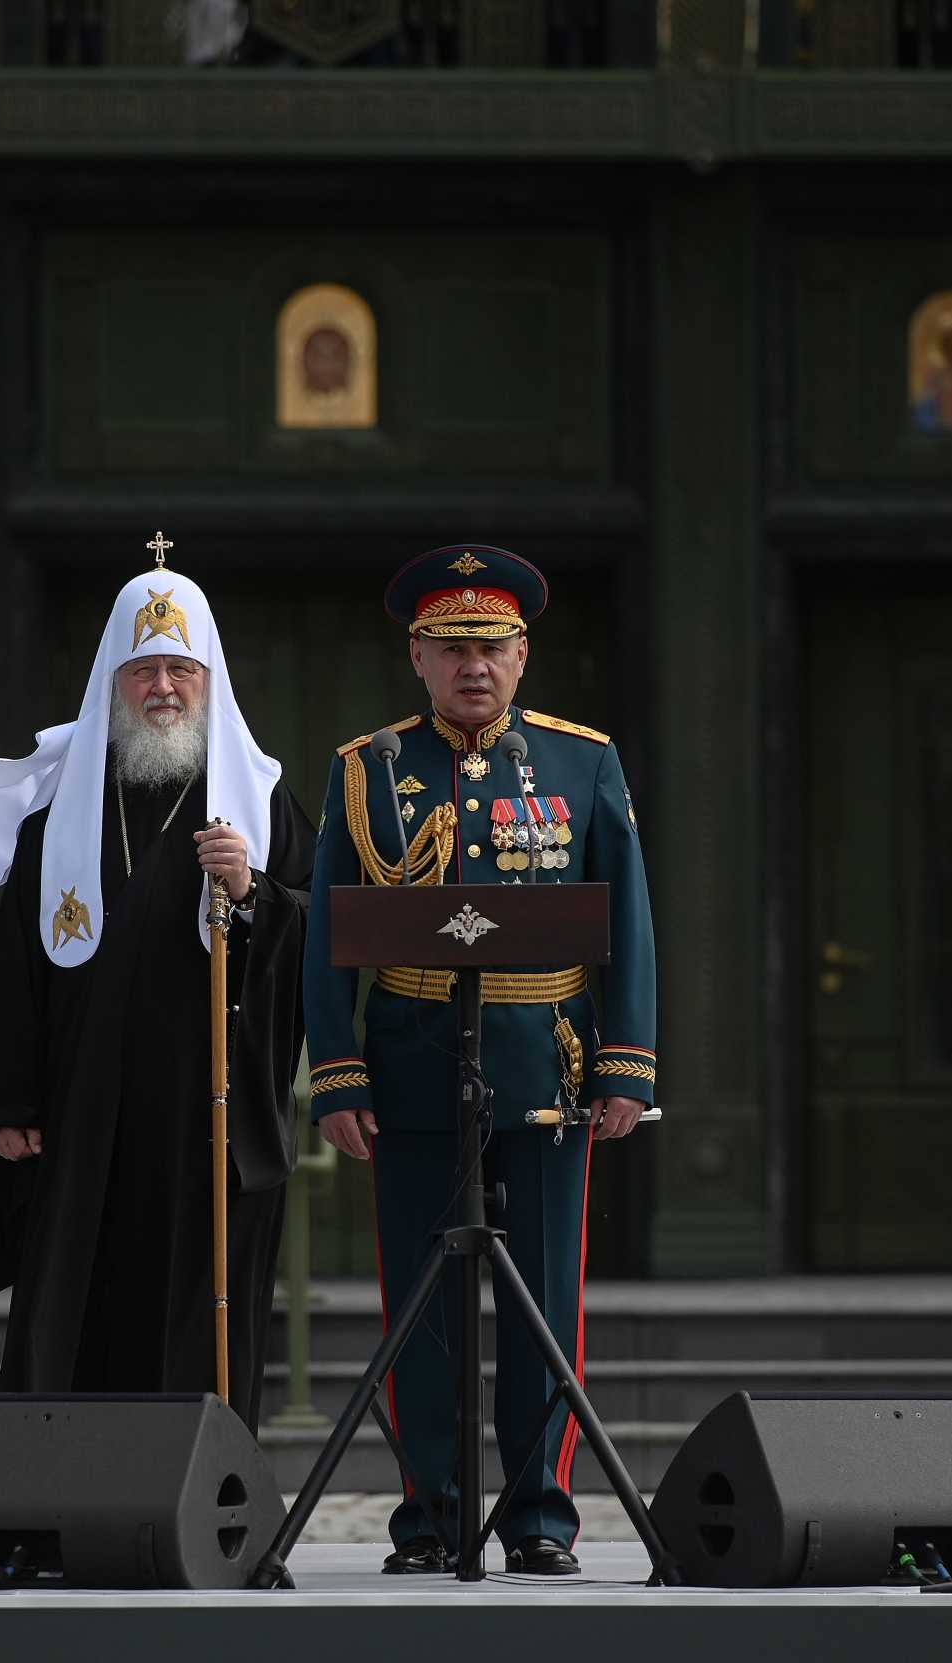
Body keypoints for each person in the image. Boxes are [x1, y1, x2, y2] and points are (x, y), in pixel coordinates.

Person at [303, 544, 657, 1576]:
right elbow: (329, 926)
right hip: (411, 1065)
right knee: (422, 1313)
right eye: (452, 646)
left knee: (542, 1303)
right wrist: (337, 1072)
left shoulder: (583, 760)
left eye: (491, 646)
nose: (474, 666)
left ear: (522, 653)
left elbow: (626, 914)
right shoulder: (364, 768)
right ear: (416, 654)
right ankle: (431, 1517)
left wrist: (625, 1064)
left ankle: (540, 1516)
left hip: (544, 1069)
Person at [0, 545, 315, 1429]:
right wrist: (11, 1103)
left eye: (179, 669)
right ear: (113, 683)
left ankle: (197, 1501)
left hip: (207, 1116)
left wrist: (252, 894)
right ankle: (48, 1501)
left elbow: (317, 939)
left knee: (197, 1311)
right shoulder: (57, 813)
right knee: (74, 1298)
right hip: (82, 1114)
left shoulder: (259, 804)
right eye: (142, 669)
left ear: (208, 679)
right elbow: (14, 973)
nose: (162, 688)